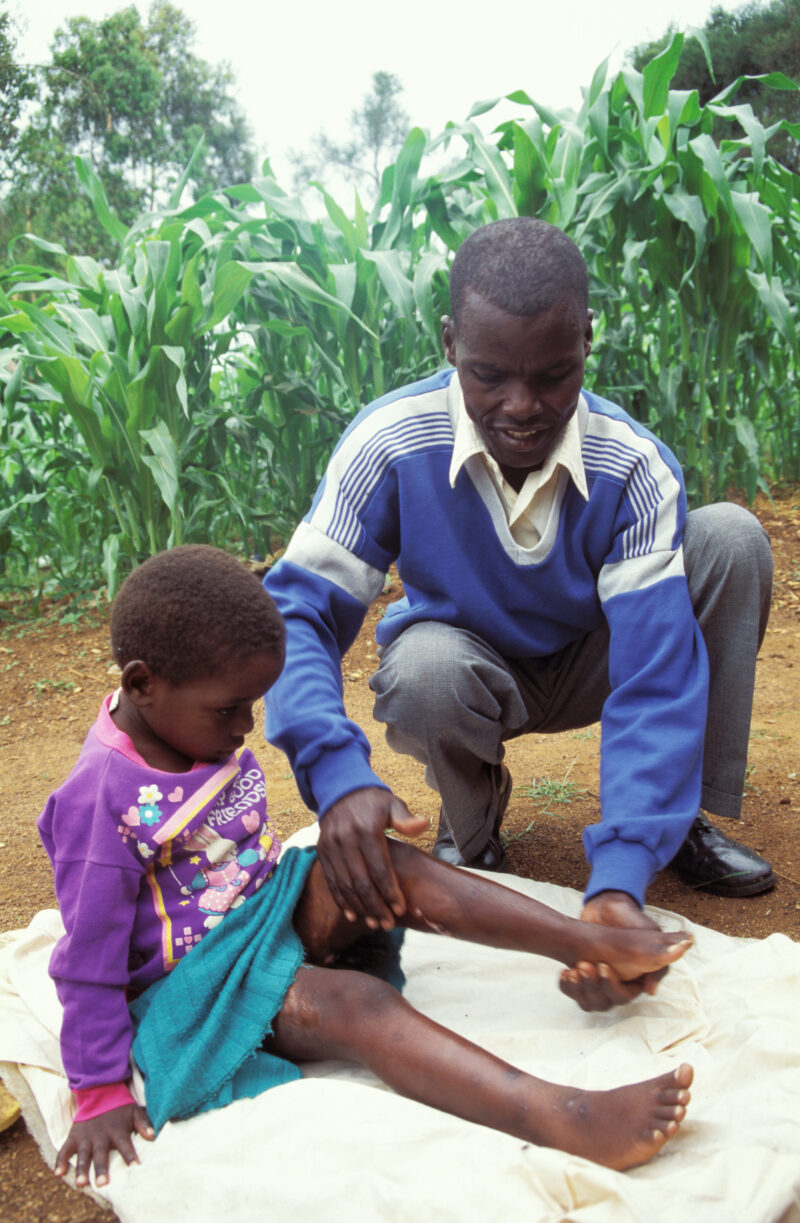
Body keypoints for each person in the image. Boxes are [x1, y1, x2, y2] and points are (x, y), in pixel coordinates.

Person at [39, 544, 695, 1189]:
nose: (245, 725)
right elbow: (86, 962)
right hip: (199, 982)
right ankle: (562, 1115)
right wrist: (98, 1092)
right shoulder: (102, 802)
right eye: (228, 709)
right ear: (142, 684)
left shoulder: (187, 718)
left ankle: (584, 940)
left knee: (381, 863)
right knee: (355, 1003)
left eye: (253, 705)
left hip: (259, 911)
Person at [263, 217, 774, 1014]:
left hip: (592, 658)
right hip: (469, 667)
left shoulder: (631, 465)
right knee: (424, 669)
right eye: (489, 374)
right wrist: (335, 773)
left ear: (588, 342)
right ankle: (474, 830)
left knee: (730, 540)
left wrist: (618, 883)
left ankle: (675, 825)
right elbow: (298, 610)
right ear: (448, 343)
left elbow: (655, 680)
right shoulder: (391, 442)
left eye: (554, 375)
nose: (523, 406)